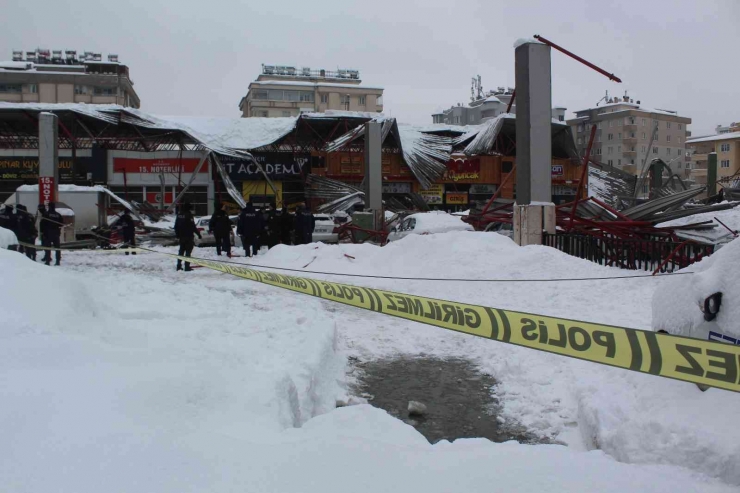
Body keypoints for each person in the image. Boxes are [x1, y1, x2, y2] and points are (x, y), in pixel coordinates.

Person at [174, 202, 201, 271]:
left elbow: (176, 226)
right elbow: (193, 226)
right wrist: (198, 234)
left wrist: (177, 235)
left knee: (181, 251)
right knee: (188, 252)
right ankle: (187, 267)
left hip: (181, 236)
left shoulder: (179, 214)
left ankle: (178, 266)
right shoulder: (189, 215)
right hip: (188, 236)